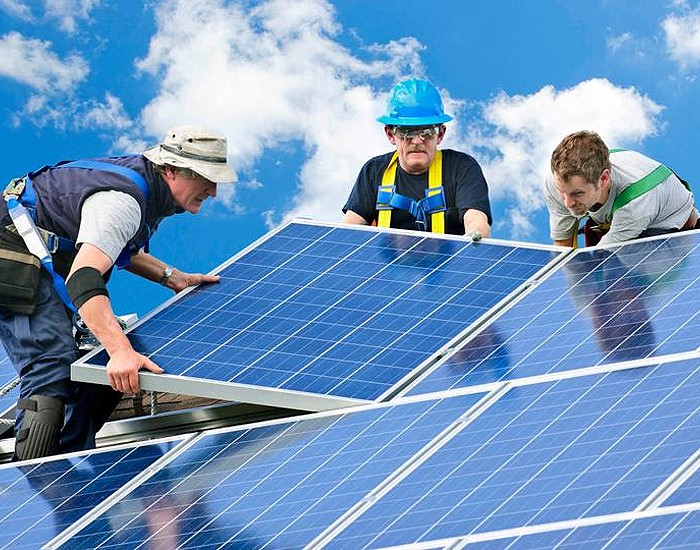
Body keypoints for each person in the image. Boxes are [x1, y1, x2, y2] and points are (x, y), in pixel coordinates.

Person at [0, 125, 237, 460]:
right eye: (205, 178)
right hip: (10, 256)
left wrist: (171, 277)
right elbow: (83, 276)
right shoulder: (123, 202)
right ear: (170, 171)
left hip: (33, 256)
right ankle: (33, 481)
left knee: (97, 369)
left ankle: (67, 468)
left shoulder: (147, 192)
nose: (212, 190)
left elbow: (117, 247)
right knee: (52, 362)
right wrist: (119, 350)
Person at [342, 78, 492, 239]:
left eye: (426, 131)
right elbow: (349, 229)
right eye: (407, 132)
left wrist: (475, 237)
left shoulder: (462, 168)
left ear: (440, 134)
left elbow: (476, 220)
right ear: (390, 134)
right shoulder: (374, 171)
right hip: (388, 263)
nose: (417, 141)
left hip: (450, 263)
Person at [545, 130, 698, 247]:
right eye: (562, 192)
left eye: (577, 193)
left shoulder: (635, 203)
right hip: (619, 219)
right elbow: (563, 247)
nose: (567, 203)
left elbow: (604, 259)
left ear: (604, 179)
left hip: (670, 226)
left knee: (627, 269)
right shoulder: (555, 183)